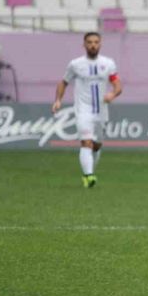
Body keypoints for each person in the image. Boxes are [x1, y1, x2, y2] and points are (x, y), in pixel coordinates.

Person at [51, 32, 122, 188]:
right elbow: (63, 82)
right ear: (84, 45)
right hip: (83, 110)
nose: (93, 45)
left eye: (96, 42)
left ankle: (90, 170)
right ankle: (88, 176)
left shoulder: (108, 63)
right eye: (89, 42)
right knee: (86, 142)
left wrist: (113, 94)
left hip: (101, 111)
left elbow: (117, 84)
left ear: (100, 44)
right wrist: (58, 100)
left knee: (96, 145)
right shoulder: (75, 64)